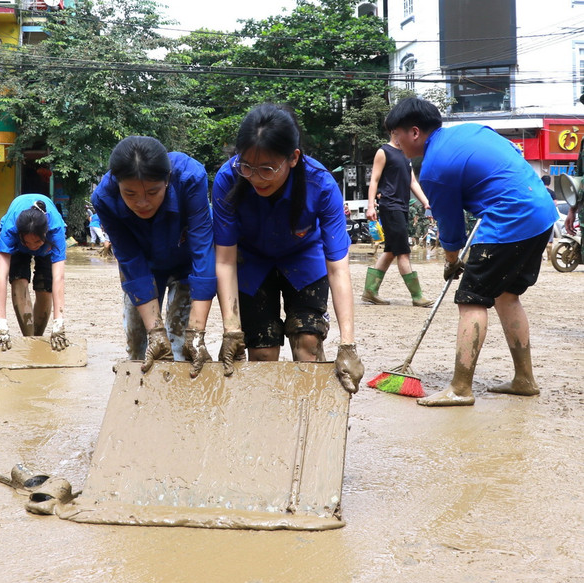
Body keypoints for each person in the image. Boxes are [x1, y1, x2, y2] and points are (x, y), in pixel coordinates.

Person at [385, 97, 558, 407]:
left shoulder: (434, 167)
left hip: (510, 219)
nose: (394, 144)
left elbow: (451, 231)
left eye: (396, 135)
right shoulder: (470, 131)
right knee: (506, 295)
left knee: (471, 300)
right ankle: (524, 380)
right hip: (541, 212)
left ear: (413, 132)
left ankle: (461, 387)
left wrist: (452, 262)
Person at [212, 103, 363, 393]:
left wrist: (348, 344)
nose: (255, 177)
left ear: (293, 158)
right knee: (262, 351)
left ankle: (308, 418)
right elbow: (225, 261)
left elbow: (338, 269)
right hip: (251, 262)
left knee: (307, 341)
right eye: (247, 166)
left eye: (267, 168)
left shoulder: (321, 184)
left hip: (304, 258)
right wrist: (231, 329)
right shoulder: (228, 179)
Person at [91, 136, 216, 376]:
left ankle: (179, 402)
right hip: (143, 267)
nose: (142, 203)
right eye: (130, 194)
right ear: (117, 184)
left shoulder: (190, 176)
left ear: (167, 180)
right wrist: (155, 331)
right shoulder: (104, 198)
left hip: (187, 263)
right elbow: (129, 259)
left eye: (152, 192)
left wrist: (197, 333)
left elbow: (203, 250)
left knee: (182, 344)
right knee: (139, 346)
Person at [362, 133, 434, 307]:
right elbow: (374, 180)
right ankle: (417, 296)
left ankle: (370, 291)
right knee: (403, 251)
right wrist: (371, 205)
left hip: (402, 207)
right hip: (390, 205)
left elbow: (412, 182)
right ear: (394, 130)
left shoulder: (405, 153)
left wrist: (425, 202)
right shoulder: (383, 151)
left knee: (391, 250)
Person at [0, 193, 69, 352]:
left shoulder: (56, 230)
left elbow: (58, 278)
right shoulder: (10, 230)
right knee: (18, 281)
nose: (32, 246)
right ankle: (29, 338)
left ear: (46, 233)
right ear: (19, 235)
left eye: (37, 241)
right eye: (28, 241)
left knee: (45, 288)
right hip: (18, 247)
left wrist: (59, 323)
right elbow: (0, 277)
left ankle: (37, 339)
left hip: (47, 249)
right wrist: (1, 323)